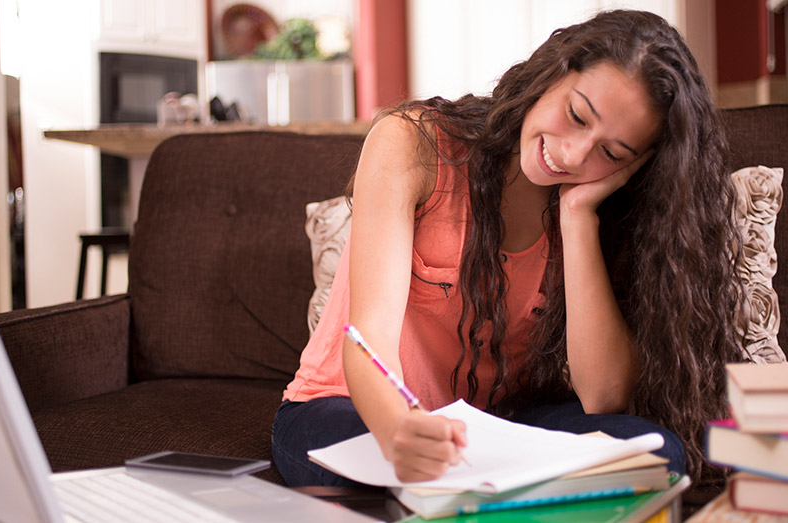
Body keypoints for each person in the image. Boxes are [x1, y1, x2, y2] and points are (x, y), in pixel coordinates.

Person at [273, 9, 743, 489]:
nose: (573, 155)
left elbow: (602, 395)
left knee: (654, 454)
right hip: (352, 409)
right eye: (577, 116)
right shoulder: (414, 143)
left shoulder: (601, 208)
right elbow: (368, 337)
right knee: (397, 468)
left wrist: (577, 216)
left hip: (491, 426)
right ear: (550, 73)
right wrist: (400, 429)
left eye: (611, 153)